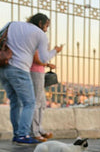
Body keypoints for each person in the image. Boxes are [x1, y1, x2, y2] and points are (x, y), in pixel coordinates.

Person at [0, 13, 62, 144]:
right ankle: (22, 134)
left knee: (15, 102)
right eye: (46, 26)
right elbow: (44, 58)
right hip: (19, 69)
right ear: (40, 23)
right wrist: (55, 51)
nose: (46, 29)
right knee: (30, 103)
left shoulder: (13, 24)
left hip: (3, 67)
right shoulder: (40, 34)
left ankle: (17, 134)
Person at [30, 48, 57, 142]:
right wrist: (55, 52)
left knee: (42, 104)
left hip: (39, 72)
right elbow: (37, 59)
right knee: (36, 103)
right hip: (35, 71)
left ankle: (39, 129)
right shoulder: (36, 40)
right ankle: (34, 132)